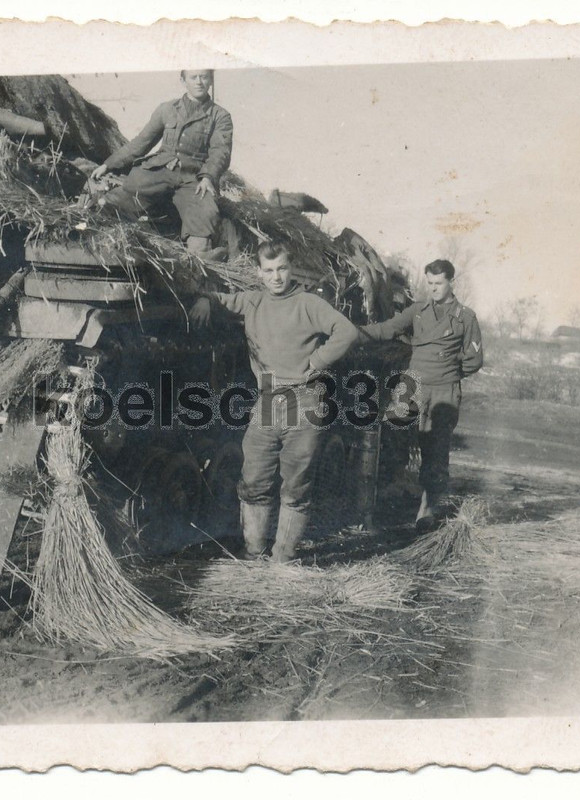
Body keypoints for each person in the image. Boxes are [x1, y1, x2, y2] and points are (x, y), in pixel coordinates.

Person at [189, 241, 357, 561]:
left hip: (305, 397)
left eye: (281, 268)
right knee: (254, 476)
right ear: (259, 273)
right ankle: (254, 553)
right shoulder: (253, 301)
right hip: (268, 396)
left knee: (296, 482)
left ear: (290, 268)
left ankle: (282, 559)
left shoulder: (308, 303)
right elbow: (219, 299)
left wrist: (319, 360)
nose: (276, 277)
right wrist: (203, 299)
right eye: (269, 271)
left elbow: (346, 331)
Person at [357, 259, 484, 528]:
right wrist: (353, 333)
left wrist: (447, 370)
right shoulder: (417, 311)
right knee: (394, 439)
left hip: (443, 390)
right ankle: (385, 499)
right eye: (430, 284)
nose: (434, 289)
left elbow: (474, 360)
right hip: (412, 385)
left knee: (435, 450)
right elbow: (386, 329)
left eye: (439, 284)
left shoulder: (465, 317)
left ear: (452, 283)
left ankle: (428, 510)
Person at [91, 70, 233, 256]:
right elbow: (141, 142)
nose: (199, 82)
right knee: (117, 199)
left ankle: (199, 259)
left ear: (211, 80)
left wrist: (208, 177)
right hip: (157, 172)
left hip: (193, 179)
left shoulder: (220, 116)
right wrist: (108, 164)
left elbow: (220, 152)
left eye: (204, 77)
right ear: (183, 80)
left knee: (204, 215)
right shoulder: (167, 109)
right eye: (193, 77)